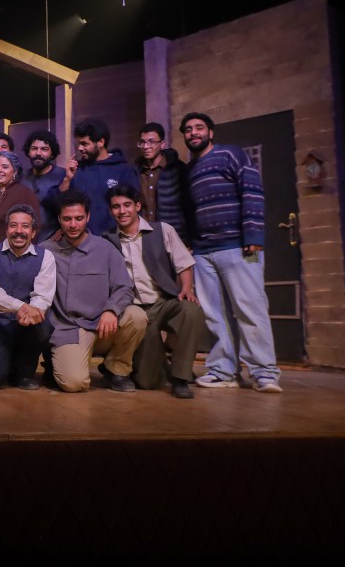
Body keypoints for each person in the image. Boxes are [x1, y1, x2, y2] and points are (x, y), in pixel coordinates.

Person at [181, 112, 282, 393]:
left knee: (250, 310)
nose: (193, 133)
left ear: (210, 132)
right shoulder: (190, 170)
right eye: (188, 130)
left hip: (239, 246)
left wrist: (253, 235)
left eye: (199, 128)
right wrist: (191, 244)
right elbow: (189, 211)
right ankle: (223, 370)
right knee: (214, 316)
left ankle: (264, 372)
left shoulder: (231, 155)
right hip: (203, 251)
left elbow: (252, 192)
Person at [103, 185, 207, 399]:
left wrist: (186, 289)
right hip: (135, 310)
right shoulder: (108, 239)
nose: (122, 211)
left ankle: (181, 377)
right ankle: (122, 366)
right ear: (110, 211)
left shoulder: (162, 230)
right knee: (147, 382)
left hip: (164, 301)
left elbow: (184, 264)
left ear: (137, 206)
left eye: (127, 205)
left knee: (191, 310)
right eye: (116, 207)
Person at [43, 190, 146, 392]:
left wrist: (111, 310)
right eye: (67, 219)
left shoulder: (106, 249)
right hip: (69, 329)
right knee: (74, 383)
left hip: (103, 325)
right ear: (59, 219)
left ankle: (116, 369)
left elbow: (125, 288)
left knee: (137, 316)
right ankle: (57, 362)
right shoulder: (47, 250)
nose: (73, 224)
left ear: (88, 217)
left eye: (79, 218)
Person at [0, 204, 55, 390]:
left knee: (42, 326)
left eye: (25, 226)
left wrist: (32, 312)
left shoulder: (46, 257)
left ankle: (23, 374)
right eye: (13, 225)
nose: (19, 231)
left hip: (26, 325)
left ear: (33, 232)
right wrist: (23, 307)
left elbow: (43, 295)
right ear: (6, 230)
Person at [51, 118, 139, 236]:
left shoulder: (124, 170)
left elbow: (134, 208)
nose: (80, 148)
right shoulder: (76, 170)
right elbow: (59, 204)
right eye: (78, 144)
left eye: (84, 144)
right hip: (82, 240)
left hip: (116, 238)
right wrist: (67, 179)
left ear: (101, 142)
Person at [135, 122, 189, 242]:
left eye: (152, 142)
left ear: (162, 144)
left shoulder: (177, 169)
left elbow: (187, 206)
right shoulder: (135, 172)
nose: (146, 146)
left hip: (174, 237)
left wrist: (187, 239)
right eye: (142, 142)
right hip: (145, 238)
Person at [0, 150, 41, 245]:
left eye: (5, 167)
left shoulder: (25, 193)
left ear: (15, 172)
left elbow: (35, 227)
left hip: (16, 249)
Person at [20, 129, 65, 242]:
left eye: (44, 149)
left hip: (55, 242)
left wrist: (63, 230)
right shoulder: (21, 177)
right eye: (34, 148)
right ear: (28, 151)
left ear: (52, 153)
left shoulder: (63, 176)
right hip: (25, 241)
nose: (38, 153)